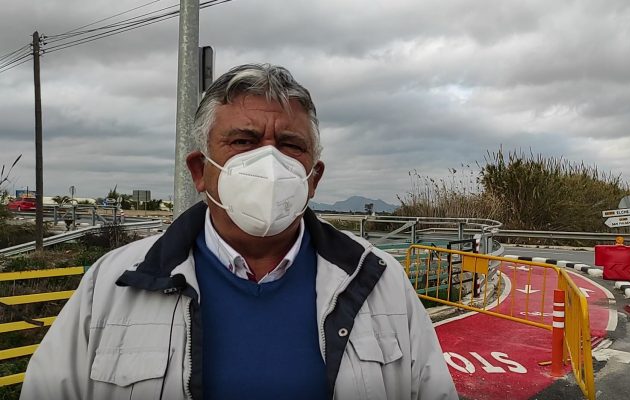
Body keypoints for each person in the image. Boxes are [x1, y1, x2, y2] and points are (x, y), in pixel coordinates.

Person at [21, 64, 457, 400]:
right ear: (200, 170)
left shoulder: (377, 280)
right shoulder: (115, 283)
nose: (270, 162)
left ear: (314, 177)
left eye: (290, 145)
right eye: (244, 142)